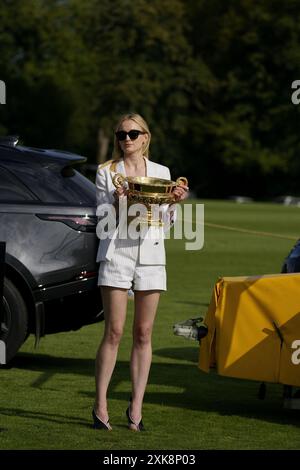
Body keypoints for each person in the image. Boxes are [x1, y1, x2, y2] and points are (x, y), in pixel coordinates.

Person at [93, 113, 188, 431]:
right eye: (121, 135)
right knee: (114, 332)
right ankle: (101, 406)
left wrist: (174, 203)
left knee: (144, 333)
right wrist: (120, 203)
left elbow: (166, 221)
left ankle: (136, 409)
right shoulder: (106, 172)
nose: (127, 140)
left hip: (151, 254)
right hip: (116, 252)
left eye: (133, 134)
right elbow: (103, 220)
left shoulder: (162, 172)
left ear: (146, 137)